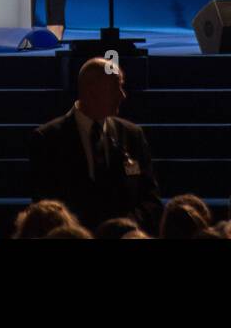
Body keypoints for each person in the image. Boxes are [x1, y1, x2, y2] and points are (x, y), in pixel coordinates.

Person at [28, 58, 161, 232]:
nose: (123, 95)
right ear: (91, 91)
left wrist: (123, 227)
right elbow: (45, 206)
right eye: (116, 87)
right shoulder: (48, 139)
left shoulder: (132, 135)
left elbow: (151, 199)